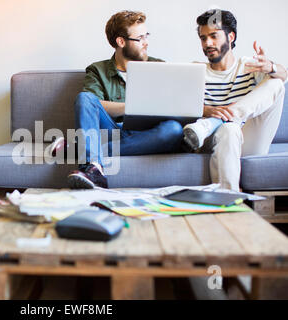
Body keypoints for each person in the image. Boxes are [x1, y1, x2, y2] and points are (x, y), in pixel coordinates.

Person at [52, 10, 184, 189]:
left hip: (146, 133)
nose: (146, 43)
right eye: (140, 38)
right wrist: (132, 107)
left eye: (147, 36)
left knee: (174, 130)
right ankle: (93, 168)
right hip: (112, 130)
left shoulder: (159, 66)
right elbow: (94, 104)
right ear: (121, 42)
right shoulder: (97, 70)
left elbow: (172, 105)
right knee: (84, 97)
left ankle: (84, 149)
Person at [182, 9, 287, 191]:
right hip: (213, 140)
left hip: (248, 141)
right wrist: (208, 111)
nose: (208, 43)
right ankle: (228, 197)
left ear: (231, 37)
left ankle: (219, 120)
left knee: (276, 83)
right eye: (203, 38)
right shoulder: (196, 71)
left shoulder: (249, 66)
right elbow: (179, 107)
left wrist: (270, 66)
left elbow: (283, 76)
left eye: (214, 36)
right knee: (229, 128)